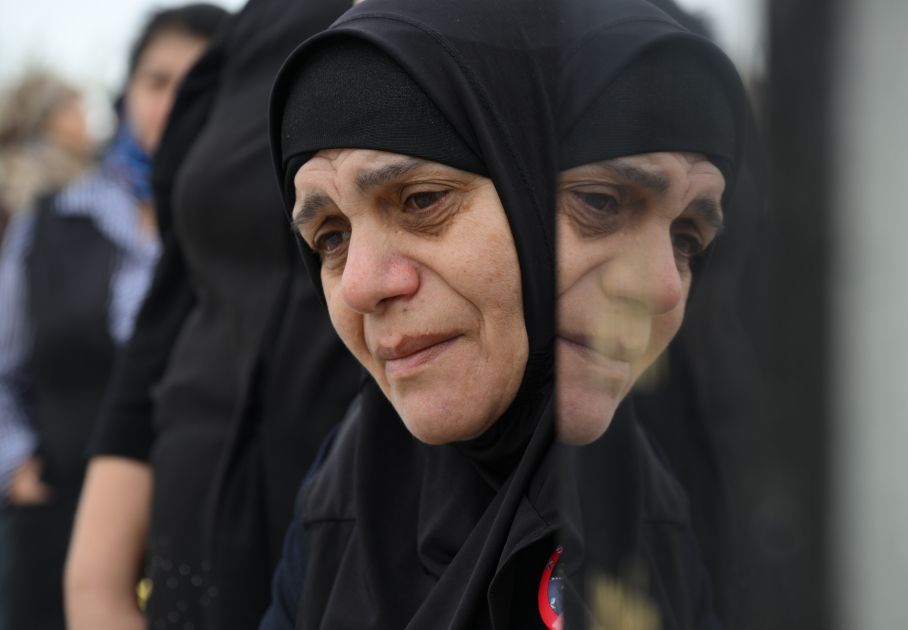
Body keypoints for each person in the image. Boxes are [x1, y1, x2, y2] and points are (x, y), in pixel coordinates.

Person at [64, 0, 362, 629]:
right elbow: (175, 299)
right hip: (189, 537)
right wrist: (97, 579)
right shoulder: (248, 37)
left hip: (360, 526)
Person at [262, 0, 557, 626]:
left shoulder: (680, 494)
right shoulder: (351, 477)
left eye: (422, 200)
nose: (360, 286)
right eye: (331, 238)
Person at [0, 5, 227, 630]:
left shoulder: (252, 229)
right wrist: (17, 468)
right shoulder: (52, 221)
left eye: (199, 81)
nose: (174, 102)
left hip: (206, 535)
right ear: (126, 94)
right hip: (60, 528)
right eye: (157, 81)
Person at [553, 0, 753, 627]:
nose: (667, 287)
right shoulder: (347, 497)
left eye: (688, 241)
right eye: (600, 202)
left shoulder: (651, 496)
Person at [0, 72, 91, 240]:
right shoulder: (20, 185)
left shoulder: (85, 176)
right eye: (71, 110)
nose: (83, 119)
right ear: (44, 121)